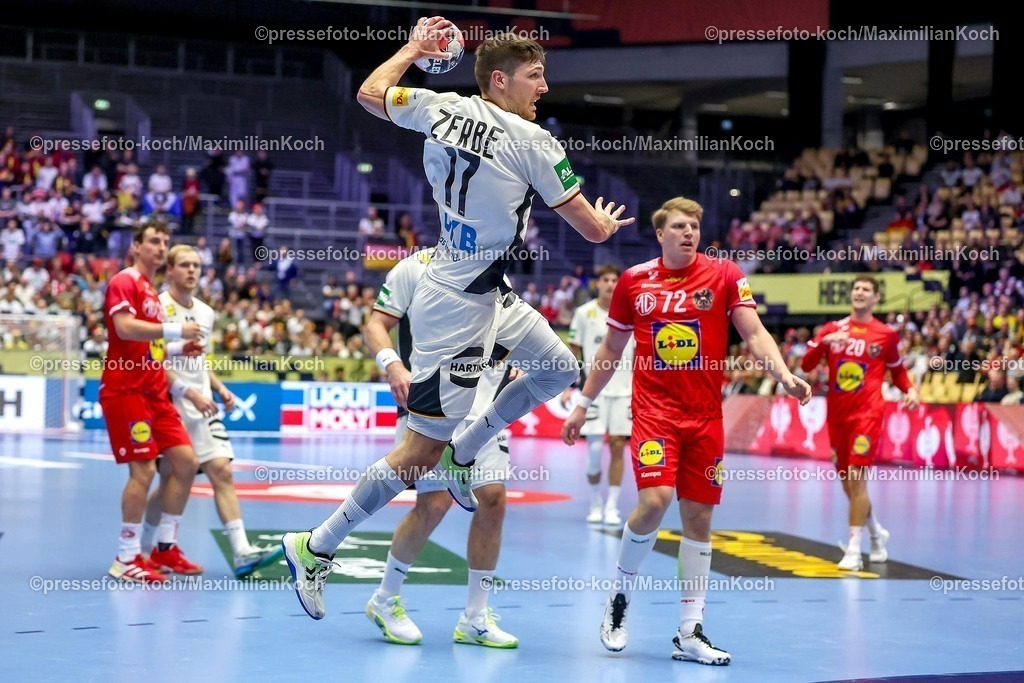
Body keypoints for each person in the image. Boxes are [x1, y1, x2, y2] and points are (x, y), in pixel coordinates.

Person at [282, 19, 633, 621]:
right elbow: (592, 230)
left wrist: (415, 50)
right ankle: (315, 546)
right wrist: (603, 222)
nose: (543, 88)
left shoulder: (437, 106)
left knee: (557, 368)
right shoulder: (534, 141)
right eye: (534, 76)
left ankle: (466, 450)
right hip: (457, 304)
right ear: (499, 80)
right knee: (417, 455)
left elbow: (368, 93)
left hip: (487, 287)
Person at [562, 197, 812, 665]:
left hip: (705, 418)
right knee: (654, 503)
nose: (688, 233)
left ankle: (690, 632)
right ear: (660, 234)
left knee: (699, 521)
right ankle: (618, 601)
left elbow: (755, 334)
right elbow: (610, 350)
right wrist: (582, 404)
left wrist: (783, 373)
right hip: (655, 413)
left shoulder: (724, 275)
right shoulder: (635, 281)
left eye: (694, 226)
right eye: (678, 226)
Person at [362, 247, 519, 647]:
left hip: (484, 408)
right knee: (432, 505)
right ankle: (385, 598)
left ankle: (475, 617)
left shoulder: (497, 269)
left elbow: (508, 334)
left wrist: (516, 361)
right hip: (431, 405)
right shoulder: (413, 267)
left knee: (494, 500)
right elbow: (376, 324)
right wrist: (393, 365)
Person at [140, 244, 284, 578]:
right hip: (170, 403)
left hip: (203, 404)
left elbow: (198, 360)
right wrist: (189, 392)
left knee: (222, 471)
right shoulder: (158, 307)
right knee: (168, 482)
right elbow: (154, 361)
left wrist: (219, 389)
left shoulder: (205, 312)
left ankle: (242, 552)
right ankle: (147, 550)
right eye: (185, 265)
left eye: (197, 265)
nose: (192, 271)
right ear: (170, 270)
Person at [101, 220, 204, 583]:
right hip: (126, 391)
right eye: (154, 241)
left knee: (187, 463)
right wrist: (177, 330)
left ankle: (164, 548)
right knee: (143, 471)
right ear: (136, 246)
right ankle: (126, 558)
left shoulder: (149, 289)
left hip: (154, 391)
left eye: (165, 242)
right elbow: (125, 329)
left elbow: (150, 346)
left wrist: (178, 347)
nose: (161, 248)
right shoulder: (125, 281)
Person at [800, 275, 918, 571]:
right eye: (856, 288)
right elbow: (806, 365)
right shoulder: (832, 329)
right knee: (848, 485)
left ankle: (854, 550)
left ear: (876, 298)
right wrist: (824, 342)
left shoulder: (885, 334)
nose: (860, 292)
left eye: (866, 289)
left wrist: (911, 390)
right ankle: (877, 533)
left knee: (857, 476)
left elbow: (898, 371)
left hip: (868, 414)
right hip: (837, 415)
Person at [564, 264, 635, 526]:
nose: (610, 284)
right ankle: (595, 502)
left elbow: (638, 354)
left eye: (614, 279)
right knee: (594, 450)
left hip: (623, 392)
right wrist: (567, 386)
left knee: (618, 445)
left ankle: (612, 506)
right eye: (605, 279)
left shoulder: (631, 312)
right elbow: (573, 351)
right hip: (593, 393)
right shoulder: (584, 313)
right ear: (598, 284)